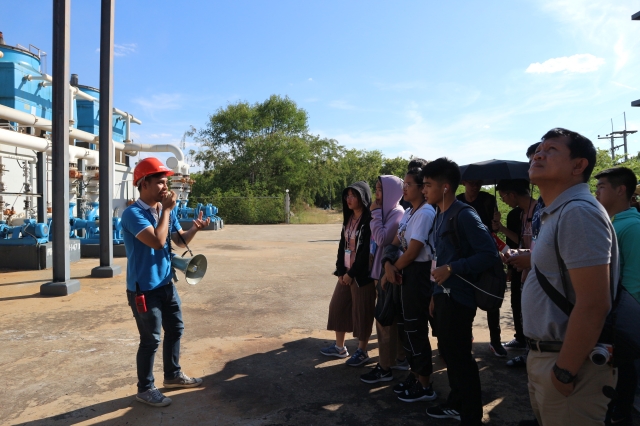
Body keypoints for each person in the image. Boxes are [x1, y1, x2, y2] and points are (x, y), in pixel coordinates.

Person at [522, 128, 619, 425]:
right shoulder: (559, 212)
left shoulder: (578, 212)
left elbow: (594, 304)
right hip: (548, 355)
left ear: (579, 165)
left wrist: (564, 371)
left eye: (551, 150)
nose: (539, 155)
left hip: (569, 363)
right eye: (539, 150)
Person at [121, 157, 210, 407]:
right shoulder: (133, 214)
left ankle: (172, 375)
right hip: (144, 289)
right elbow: (158, 242)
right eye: (160, 182)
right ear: (144, 184)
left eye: (166, 182)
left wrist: (194, 229)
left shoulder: (161, 210)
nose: (165, 187)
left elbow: (178, 241)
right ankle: (145, 389)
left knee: (176, 329)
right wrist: (168, 211)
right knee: (150, 340)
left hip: (165, 283)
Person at [422, 158, 500, 425]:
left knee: (461, 359)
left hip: (460, 299)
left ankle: (471, 415)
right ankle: (456, 403)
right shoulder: (439, 215)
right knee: (450, 355)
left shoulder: (464, 214)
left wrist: (453, 268)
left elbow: (489, 254)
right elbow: (439, 257)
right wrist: (434, 293)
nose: (424, 190)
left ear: (445, 187)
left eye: (428, 185)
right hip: (443, 296)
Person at [380, 167, 437, 402]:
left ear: (422, 189)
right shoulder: (410, 212)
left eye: (409, 184)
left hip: (418, 275)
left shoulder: (425, 213)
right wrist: (387, 264)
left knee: (416, 329)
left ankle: (425, 385)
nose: (404, 188)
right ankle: (415, 375)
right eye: (403, 184)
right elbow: (394, 243)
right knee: (406, 329)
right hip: (404, 272)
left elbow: (413, 252)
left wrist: (391, 270)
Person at [595, 166, 640, 425]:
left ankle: (621, 415)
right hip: (613, 312)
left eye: (601, 187)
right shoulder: (614, 223)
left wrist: (620, 319)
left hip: (622, 316)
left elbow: (634, 280)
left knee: (624, 369)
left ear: (621, 190)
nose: (597, 193)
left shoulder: (632, 227)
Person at [322, 182, 376, 367]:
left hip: (361, 276)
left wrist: (351, 273)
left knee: (362, 313)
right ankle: (340, 347)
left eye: (353, 195)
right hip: (346, 273)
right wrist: (340, 270)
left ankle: (362, 351)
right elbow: (342, 245)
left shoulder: (369, 220)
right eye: (347, 195)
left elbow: (366, 252)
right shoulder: (350, 217)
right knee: (338, 307)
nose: (349, 199)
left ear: (363, 197)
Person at [360, 175, 407, 384]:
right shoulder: (387, 213)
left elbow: (381, 239)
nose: (377, 194)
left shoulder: (397, 213)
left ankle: (385, 366)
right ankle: (399, 358)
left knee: (384, 320)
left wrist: (376, 214)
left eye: (381, 190)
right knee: (392, 319)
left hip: (387, 274)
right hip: (380, 272)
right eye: (376, 189)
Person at [456, 179, 506, 357]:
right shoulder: (458, 200)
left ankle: (495, 341)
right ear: (464, 183)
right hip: (466, 256)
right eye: (471, 183)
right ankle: (466, 336)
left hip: (486, 255)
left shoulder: (488, 200)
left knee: (491, 297)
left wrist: (496, 225)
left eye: (478, 183)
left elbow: (494, 230)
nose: (475, 186)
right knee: (467, 299)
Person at [494, 179, 537, 351]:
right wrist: (513, 254)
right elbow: (523, 243)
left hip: (539, 275)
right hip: (526, 273)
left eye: (503, 197)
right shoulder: (522, 214)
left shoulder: (540, 212)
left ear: (512, 194)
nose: (503, 201)